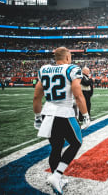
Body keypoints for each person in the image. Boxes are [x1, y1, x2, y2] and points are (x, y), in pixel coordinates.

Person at [33, 47, 89, 194]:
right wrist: (85, 115)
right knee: (76, 143)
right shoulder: (72, 69)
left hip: (47, 112)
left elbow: (37, 96)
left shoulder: (44, 69)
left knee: (56, 147)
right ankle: (57, 176)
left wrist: (37, 116)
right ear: (67, 57)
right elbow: (78, 95)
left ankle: (56, 177)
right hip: (64, 112)